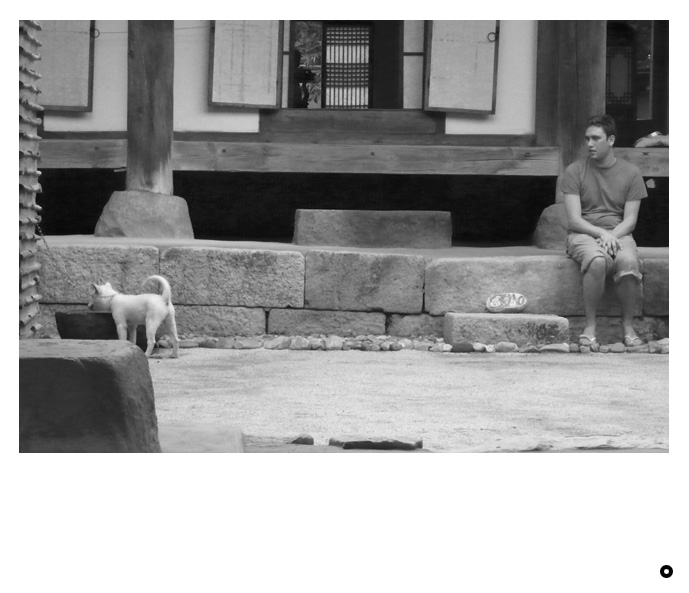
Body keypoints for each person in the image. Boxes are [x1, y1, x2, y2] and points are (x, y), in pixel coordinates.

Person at [561, 114, 648, 348]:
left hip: (619, 232)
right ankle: (590, 326)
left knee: (628, 261)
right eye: (587, 138)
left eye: (596, 138)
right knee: (598, 261)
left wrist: (612, 235)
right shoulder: (574, 171)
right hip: (584, 233)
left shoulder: (631, 173)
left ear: (610, 140)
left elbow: (630, 220)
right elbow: (574, 220)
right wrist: (601, 234)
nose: (589, 144)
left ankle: (628, 326)